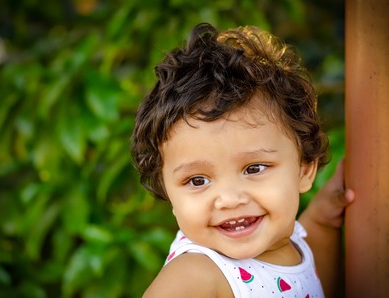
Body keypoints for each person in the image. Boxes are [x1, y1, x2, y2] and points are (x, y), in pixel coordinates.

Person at [131, 22, 354, 297]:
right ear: (169, 195)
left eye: (254, 168)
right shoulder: (195, 276)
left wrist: (323, 219)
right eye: (197, 180)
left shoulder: (290, 242)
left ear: (305, 169)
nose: (229, 198)